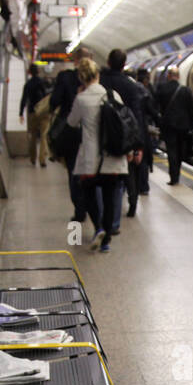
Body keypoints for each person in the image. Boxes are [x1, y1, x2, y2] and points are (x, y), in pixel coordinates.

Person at [67, 57, 131, 252]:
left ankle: (99, 228)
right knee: (111, 196)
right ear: (97, 75)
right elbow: (123, 123)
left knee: (88, 194)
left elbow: (71, 122)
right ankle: (106, 241)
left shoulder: (81, 98)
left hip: (90, 158)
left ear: (82, 78)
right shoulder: (112, 95)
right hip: (112, 156)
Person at [99, 48, 146, 231]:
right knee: (127, 175)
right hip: (125, 135)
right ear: (124, 65)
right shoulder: (130, 85)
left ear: (109, 62)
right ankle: (130, 206)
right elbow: (137, 116)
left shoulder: (101, 82)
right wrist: (138, 146)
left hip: (103, 136)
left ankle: (104, 219)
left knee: (105, 180)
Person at [51, 46, 90, 223]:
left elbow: (54, 102)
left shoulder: (65, 77)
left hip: (72, 133)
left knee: (74, 171)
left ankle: (80, 209)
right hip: (92, 131)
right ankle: (93, 208)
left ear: (74, 61)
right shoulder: (96, 78)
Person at [156, 66, 193, 184]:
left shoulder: (162, 88)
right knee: (180, 150)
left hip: (168, 125)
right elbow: (192, 109)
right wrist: (191, 125)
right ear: (178, 77)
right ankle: (177, 171)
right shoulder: (186, 90)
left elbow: (157, 106)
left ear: (168, 76)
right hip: (183, 126)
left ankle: (174, 177)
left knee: (172, 150)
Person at [134, 67, 159, 201]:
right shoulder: (146, 91)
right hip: (143, 128)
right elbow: (153, 109)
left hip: (134, 128)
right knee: (143, 158)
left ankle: (135, 187)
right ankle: (143, 186)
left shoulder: (131, 89)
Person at [19, 63, 50, 167]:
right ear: (38, 71)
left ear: (29, 72)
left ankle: (33, 158)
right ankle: (42, 159)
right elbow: (46, 95)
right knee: (44, 136)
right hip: (43, 112)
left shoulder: (27, 84)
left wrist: (21, 113)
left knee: (33, 136)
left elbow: (24, 99)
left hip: (32, 112)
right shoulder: (42, 82)